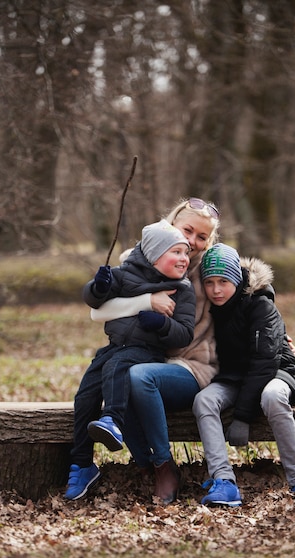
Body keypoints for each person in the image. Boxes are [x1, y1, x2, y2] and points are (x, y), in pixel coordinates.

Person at [72, 197, 221, 504]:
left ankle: (163, 466)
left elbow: (250, 303)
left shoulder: (213, 271)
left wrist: (277, 345)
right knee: (109, 381)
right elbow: (97, 312)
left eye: (201, 237)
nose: (192, 242)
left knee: (136, 375)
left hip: (192, 365)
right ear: (171, 227)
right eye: (187, 231)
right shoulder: (138, 263)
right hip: (146, 354)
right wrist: (147, 302)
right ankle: (126, 464)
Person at [192, 243, 295, 506]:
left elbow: (264, 364)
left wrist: (242, 417)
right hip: (235, 377)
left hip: (275, 372)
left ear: (236, 278)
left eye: (223, 281)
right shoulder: (210, 310)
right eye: (209, 282)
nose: (216, 290)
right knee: (204, 400)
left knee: (273, 397)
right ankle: (223, 481)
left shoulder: (261, 306)